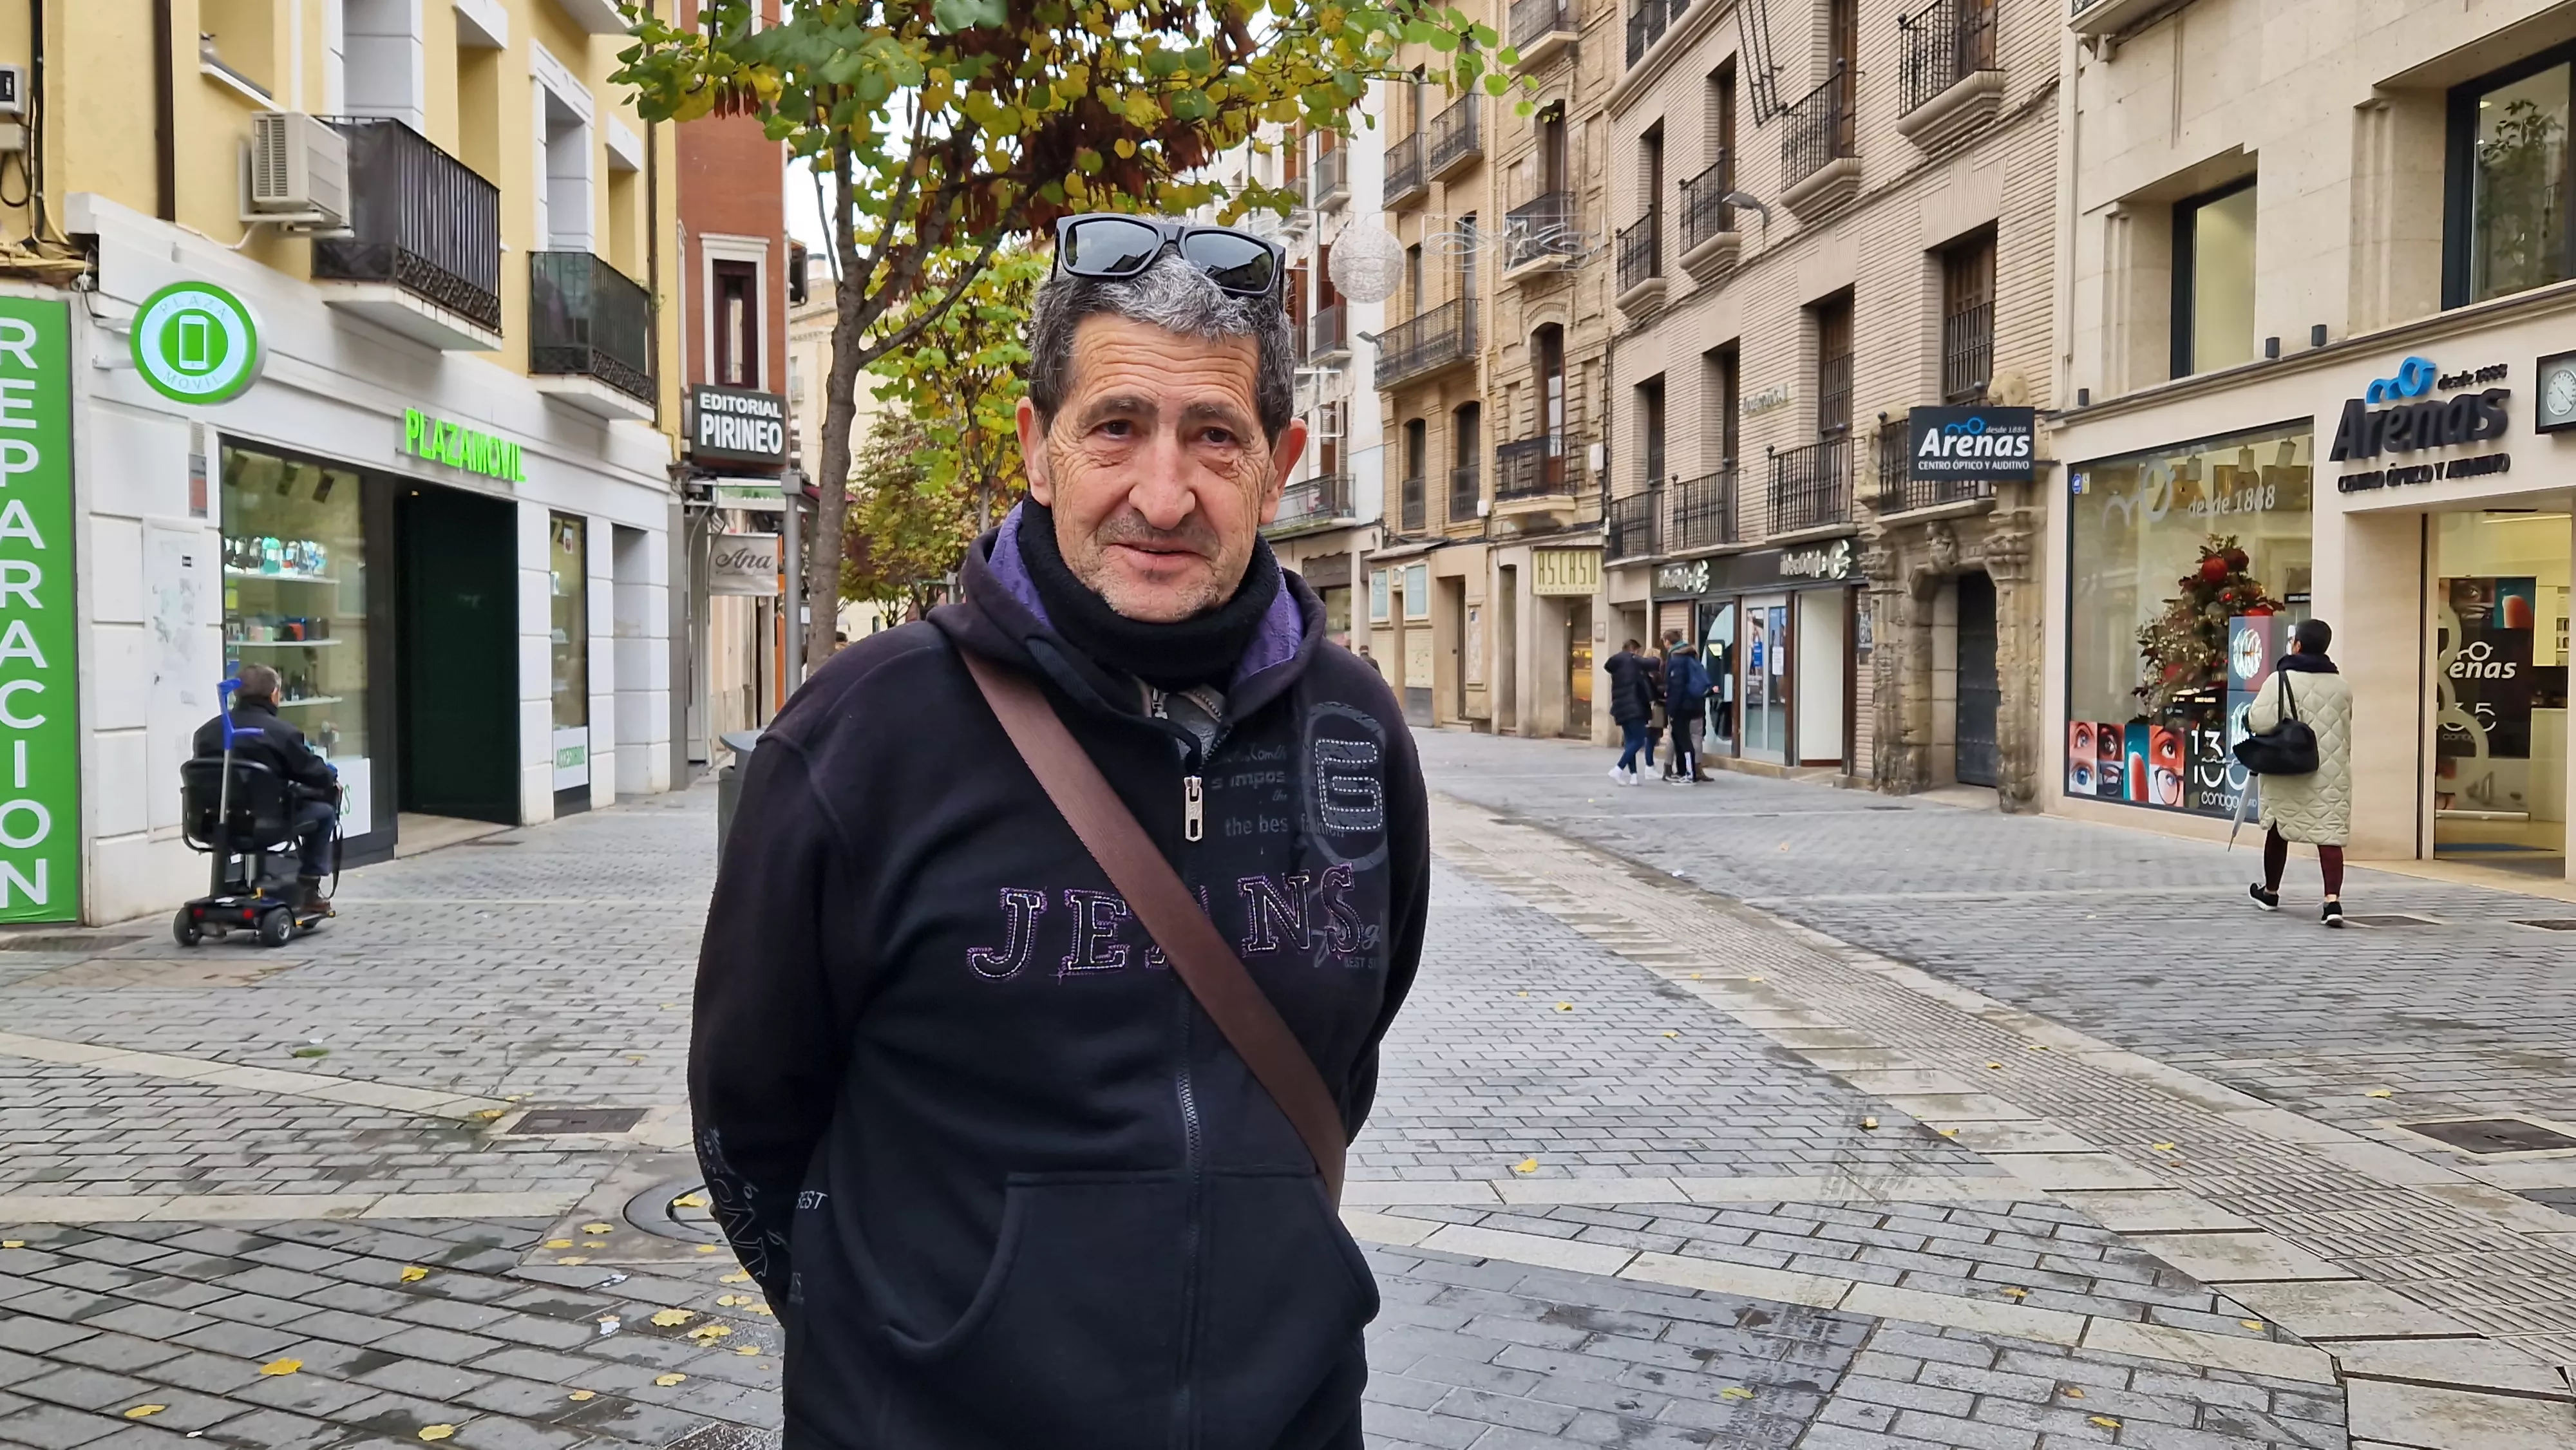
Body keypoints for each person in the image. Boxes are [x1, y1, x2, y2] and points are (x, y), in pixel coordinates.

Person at [693, 215, 1433, 1449]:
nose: (1163, 493)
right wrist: (908, 1330)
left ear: (1279, 460)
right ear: (1038, 449)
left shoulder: (1351, 729)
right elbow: (750, 1110)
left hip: (1289, 1415)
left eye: (1214, 438)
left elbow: (1343, 1053)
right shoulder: (865, 735)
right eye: (1116, 427)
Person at [191, 663, 338, 910]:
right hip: (266, 825)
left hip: (211, 823)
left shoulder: (206, 732)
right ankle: (309, 888)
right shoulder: (282, 733)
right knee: (324, 813)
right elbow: (314, 774)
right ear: (274, 695)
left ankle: (225, 886)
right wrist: (331, 778)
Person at [2247, 618, 2354, 927]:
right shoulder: (2341, 686)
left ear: (2298, 645)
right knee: (2329, 836)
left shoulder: (2280, 680)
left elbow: (2259, 721)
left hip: (2287, 768)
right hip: (2330, 771)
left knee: (2279, 828)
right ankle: (2332, 902)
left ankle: (2271, 891)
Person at [1604, 639, 1658, 784]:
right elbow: (1652, 664)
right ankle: (1618, 769)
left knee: (1630, 741)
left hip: (1620, 707)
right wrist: (1658, 658)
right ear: (1633, 649)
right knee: (1640, 739)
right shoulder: (1631, 660)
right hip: (1634, 707)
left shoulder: (1617, 664)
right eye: (1638, 652)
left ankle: (1634, 775)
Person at [1665, 638, 1712, 783]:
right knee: (1689, 738)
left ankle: (1688, 772)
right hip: (1695, 705)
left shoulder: (1678, 662)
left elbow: (1676, 688)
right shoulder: (1695, 662)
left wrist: (1671, 709)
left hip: (1682, 707)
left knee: (1682, 740)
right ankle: (1686, 771)